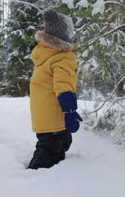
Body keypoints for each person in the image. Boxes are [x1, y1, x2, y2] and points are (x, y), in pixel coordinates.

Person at [27, 10, 83, 170]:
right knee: (49, 149)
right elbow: (64, 86)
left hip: (45, 112)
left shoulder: (46, 53)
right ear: (62, 35)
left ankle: (57, 171)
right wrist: (70, 110)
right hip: (53, 112)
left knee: (63, 141)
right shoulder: (63, 57)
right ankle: (33, 178)